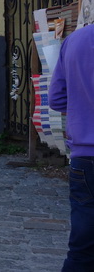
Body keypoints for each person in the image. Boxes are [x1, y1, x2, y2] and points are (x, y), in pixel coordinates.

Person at [49, 23, 94, 269]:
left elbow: (56, 98)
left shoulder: (74, 40)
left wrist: (83, 109)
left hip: (84, 157)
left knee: (81, 248)